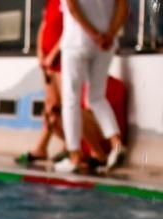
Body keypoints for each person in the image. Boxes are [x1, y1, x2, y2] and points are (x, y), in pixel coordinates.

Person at [56, 0, 127, 172]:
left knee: (71, 98)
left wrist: (93, 34)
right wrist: (109, 34)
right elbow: (123, 6)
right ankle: (116, 143)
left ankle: (75, 157)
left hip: (77, 41)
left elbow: (72, 7)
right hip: (106, 44)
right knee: (97, 97)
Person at [18, 0, 66, 165]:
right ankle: (42, 148)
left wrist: (53, 53)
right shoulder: (52, 2)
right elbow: (44, 25)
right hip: (47, 60)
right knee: (51, 106)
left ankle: (69, 146)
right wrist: (39, 51)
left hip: (62, 59)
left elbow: (70, 30)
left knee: (66, 106)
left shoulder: (72, 3)